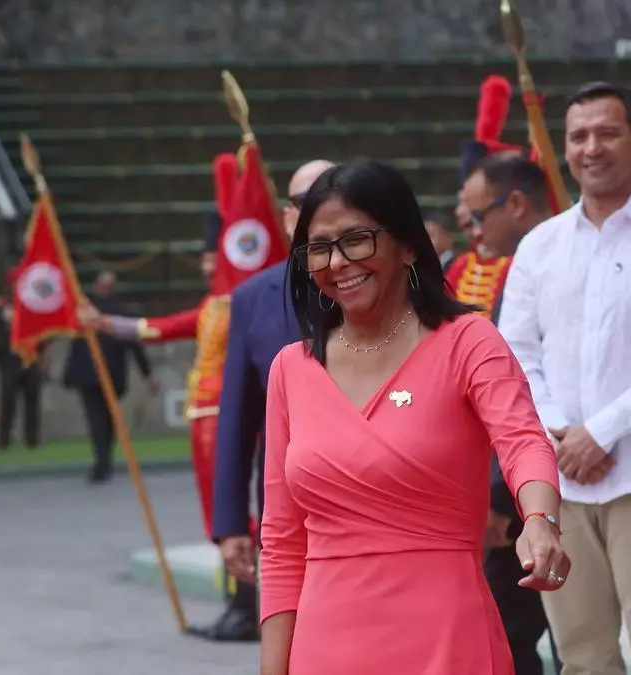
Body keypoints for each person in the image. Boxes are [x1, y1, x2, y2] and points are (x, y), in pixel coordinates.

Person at [260, 159, 569, 675]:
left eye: (356, 240)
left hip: (446, 638)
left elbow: (523, 440)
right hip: (325, 645)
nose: (338, 262)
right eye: (319, 247)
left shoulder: (468, 341)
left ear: (406, 244)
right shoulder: (290, 369)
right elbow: (281, 542)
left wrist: (540, 520)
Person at [498, 81, 631, 675]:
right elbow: (514, 355)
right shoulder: (540, 246)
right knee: (582, 657)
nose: (592, 148)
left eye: (608, 132)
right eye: (579, 136)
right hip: (563, 487)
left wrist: (601, 432)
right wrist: (560, 432)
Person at [202, 159, 332, 642]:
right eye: (306, 202)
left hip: (377, 497)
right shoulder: (254, 298)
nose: (320, 211)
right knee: (292, 644)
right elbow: (238, 419)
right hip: (288, 506)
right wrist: (231, 523)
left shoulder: (390, 286)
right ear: (288, 215)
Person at [461, 152, 564, 675]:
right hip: (530, 482)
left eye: (482, 215)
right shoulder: (519, 265)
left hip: (574, 478)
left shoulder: (553, 259)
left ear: (517, 203)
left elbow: (516, 389)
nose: (477, 231)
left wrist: (500, 497)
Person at [80, 214, 232, 541]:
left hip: (234, 410)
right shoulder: (211, 305)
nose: (207, 268)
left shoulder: (249, 301)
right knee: (210, 492)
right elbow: (163, 327)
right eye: (205, 260)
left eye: (214, 260)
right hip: (203, 408)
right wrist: (106, 323)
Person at [62, 270, 154, 483]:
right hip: (113, 374)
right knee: (108, 416)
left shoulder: (84, 312)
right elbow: (135, 345)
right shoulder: (122, 311)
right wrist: (147, 374)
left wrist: (69, 373)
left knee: (96, 417)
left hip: (88, 374)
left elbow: (75, 343)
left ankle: (102, 460)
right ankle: (105, 459)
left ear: (97, 287)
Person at [0, 270, 43, 449]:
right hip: (8, 360)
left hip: (31, 358)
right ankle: (3, 440)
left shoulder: (33, 305)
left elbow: (45, 333)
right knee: (8, 400)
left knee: (32, 399)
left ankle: (33, 439)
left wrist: (45, 358)